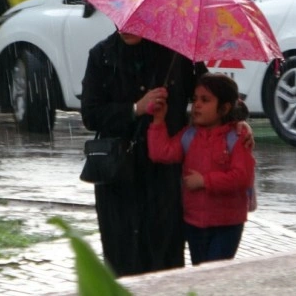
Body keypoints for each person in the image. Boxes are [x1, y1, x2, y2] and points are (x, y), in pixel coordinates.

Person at [80, 31, 252, 277]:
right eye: (122, 23)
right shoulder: (102, 56)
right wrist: (135, 109)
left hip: (164, 174)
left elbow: (214, 94)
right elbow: (91, 114)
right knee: (123, 257)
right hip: (119, 174)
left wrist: (237, 121)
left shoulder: (174, 52)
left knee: (165, 256)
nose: (127, 29)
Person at [147, 72, 256, 266]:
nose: (196, 105)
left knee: (214, 274)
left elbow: (242, 177)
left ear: (224, 108)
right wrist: (158, 121)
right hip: (194, 222)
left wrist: (205, 181)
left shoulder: (236, 138)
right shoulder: (189, 135)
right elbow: (161, 153)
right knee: (201, 271)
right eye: (195, 99)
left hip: (227, 224)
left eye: (205, 100)